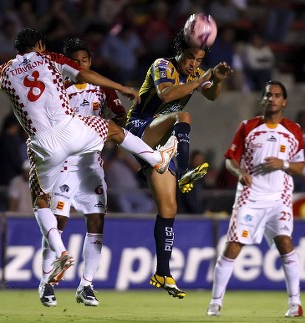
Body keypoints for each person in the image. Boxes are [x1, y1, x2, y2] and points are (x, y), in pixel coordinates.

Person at [0, 28, 177, 307]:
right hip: (71, 136)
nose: (81, 65)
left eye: (85, 59)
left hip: (48, 146)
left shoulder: (9, 70)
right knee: (111, 131)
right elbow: (86, 84)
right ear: (41, 45)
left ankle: (79, 276)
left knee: (44, 204)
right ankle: (157, 159)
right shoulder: (51, 62)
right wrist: (124, 87)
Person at [125, 27, 232, 298]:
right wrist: (200, 80)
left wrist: (216, 81)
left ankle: (163, 272)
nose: (194, 64)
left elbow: (212, 94)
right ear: (180, 52)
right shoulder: (163, 65)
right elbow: (166, 96)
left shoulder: (195, 74)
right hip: (140, 128)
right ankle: (183, 173)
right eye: (190, 58)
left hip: (161, 145)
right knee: (181, 116)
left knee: (169, 209)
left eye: (198, 60)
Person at [45, 37, 133, 307]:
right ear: (68, 64)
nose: (81, 65)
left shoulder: (101, 89)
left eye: (85, 60)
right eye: (76, 61)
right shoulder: (58, 89)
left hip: (91, 166)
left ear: (90, 63)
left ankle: (87, 285)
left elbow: (119, 118)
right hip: (63, 165)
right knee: (58, 223)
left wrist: (111, 127)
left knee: (96, 222)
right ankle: (47, 283)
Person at [206, 80, 305, 318]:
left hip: (279, 197)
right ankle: (215, 302)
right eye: (268, 95)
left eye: (277, 95)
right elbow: (230, 159)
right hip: (250, 197)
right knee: (233, 247)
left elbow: (300, 167)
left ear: (285, 101)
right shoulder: (247, 127)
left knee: (285, 243)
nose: (272, 98)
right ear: (262, 99)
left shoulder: (294, 130)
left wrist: (283, 164)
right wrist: (240, 173)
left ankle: (295, 303)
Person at [0, 113, 24, 211]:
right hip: (9, 183)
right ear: (13, 126)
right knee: (8, 211)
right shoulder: (10, 143)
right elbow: (17, 163)